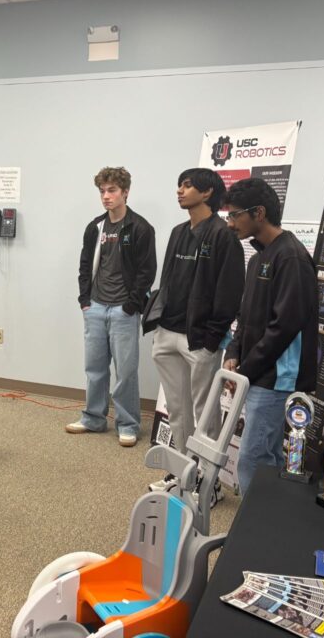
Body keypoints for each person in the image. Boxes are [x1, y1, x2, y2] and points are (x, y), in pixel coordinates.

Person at [147, 168, 244, 502]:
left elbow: (230, 290)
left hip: (200, 339)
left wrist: (212, 338)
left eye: (188, 185)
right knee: (177, 409)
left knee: (205, 412)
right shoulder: (178, 232)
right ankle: (183, 472)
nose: (180, 190)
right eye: (180, 184)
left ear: (207, 193)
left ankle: (208, 482)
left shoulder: (223, 235)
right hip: (167, 332)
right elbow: (169, 280)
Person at [223, 178, 318, 498]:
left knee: (253, 461)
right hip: (257, 373)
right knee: (267, 458)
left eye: (235, 215)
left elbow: (284, 327)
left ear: (259, 213)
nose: (230, 223)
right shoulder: (258, 257)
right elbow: (245, 316)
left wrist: (247, 370)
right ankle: (270, 519)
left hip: (277, 379)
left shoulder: (291, 257)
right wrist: (233, 351)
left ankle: (256, 525)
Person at [68, 166, 156, 447]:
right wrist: (85, 300)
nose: (106, 196)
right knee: (94, 368)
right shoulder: (95, 227)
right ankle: (93, 418)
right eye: (102, 191)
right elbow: (85, 265)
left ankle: (128, 424)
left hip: (123, 310)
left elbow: (146, 271)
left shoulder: (140, 228)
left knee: (126, 371)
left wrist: (131, 305)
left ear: (125, 192)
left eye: (112, 190)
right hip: (95, 306)